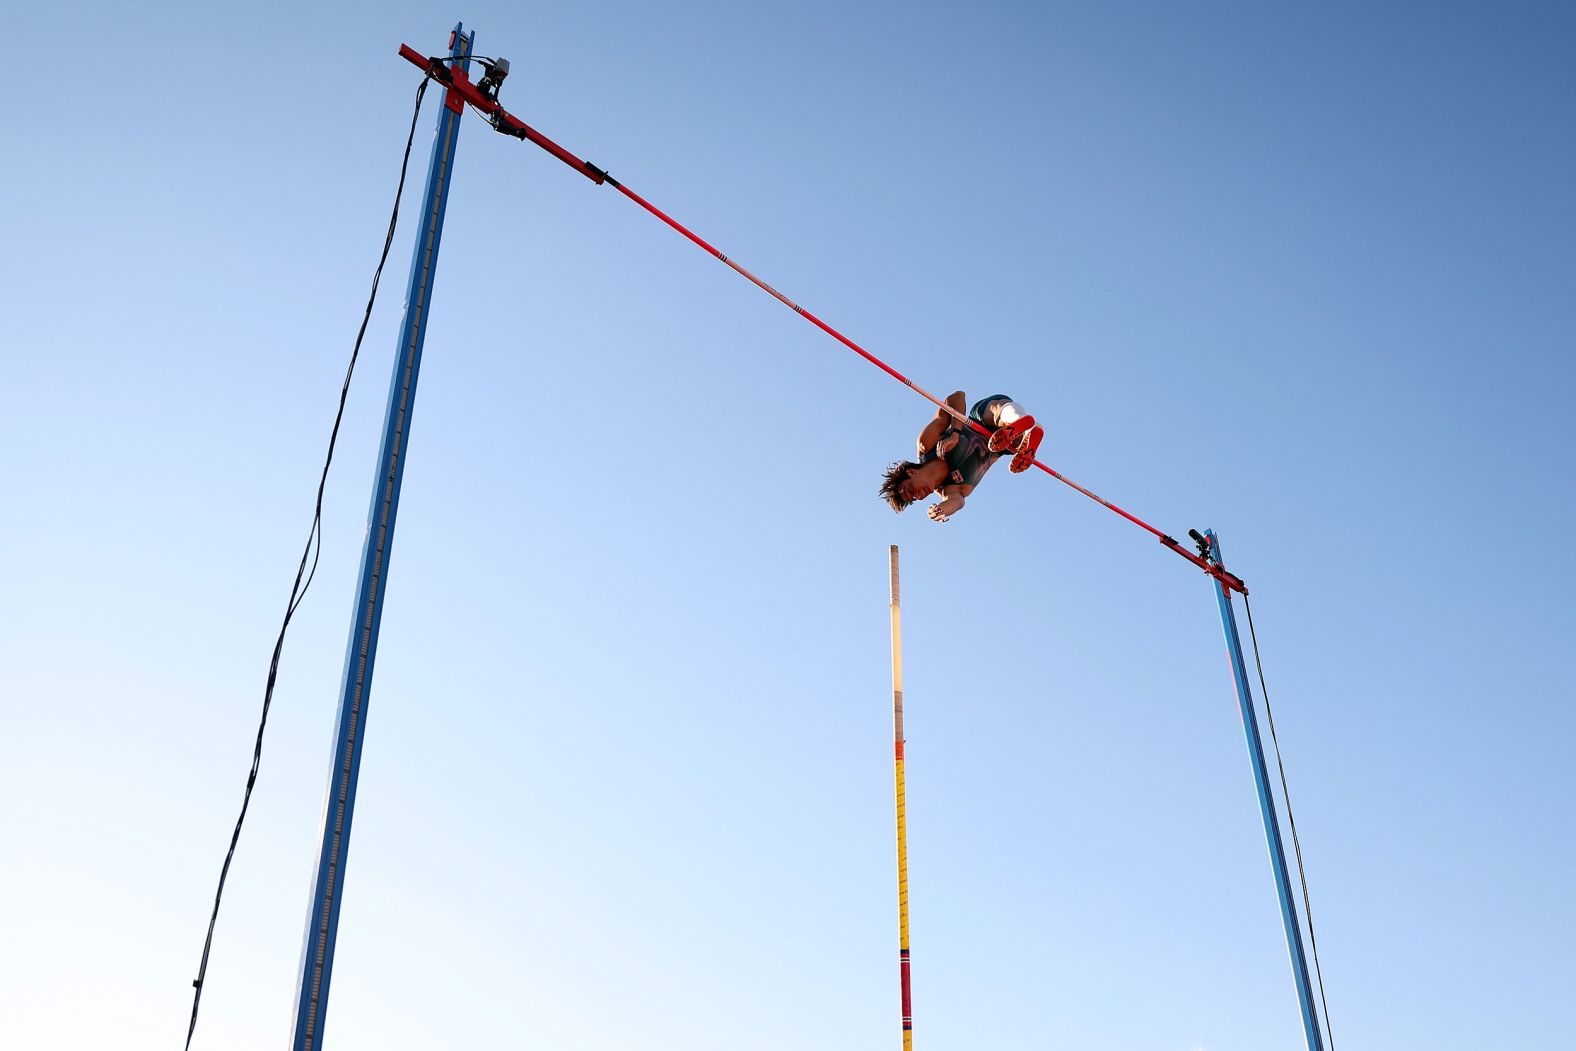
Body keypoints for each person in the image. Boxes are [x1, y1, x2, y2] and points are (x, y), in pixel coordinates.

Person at [878, 392, 1043, 522]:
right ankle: (1029, 433)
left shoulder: (927, 445)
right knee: (1017, 442)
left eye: (910, 490)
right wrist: (942, 509)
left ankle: (1020, 423)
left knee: (996, 411)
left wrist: (955, 433)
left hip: (981, 420)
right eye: (915, 498)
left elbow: (957, 397)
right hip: (1002, 446)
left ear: (911, 472)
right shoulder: (950, 490)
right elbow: (957, 502)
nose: (919, 496)